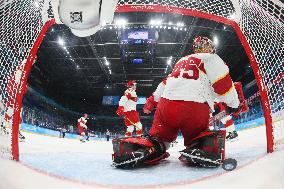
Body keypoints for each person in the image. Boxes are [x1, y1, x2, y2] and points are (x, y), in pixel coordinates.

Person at [112, 36, 244, 168]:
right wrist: (234, 104)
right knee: (197, 136)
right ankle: (201, 146)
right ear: (209, 48)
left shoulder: (182, 61)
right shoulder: (211, 58)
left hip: (166, 107)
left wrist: (152, 101)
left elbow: (165, 83)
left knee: (158, 139)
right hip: (194, 108)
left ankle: (143, 148)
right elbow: (224, 87)